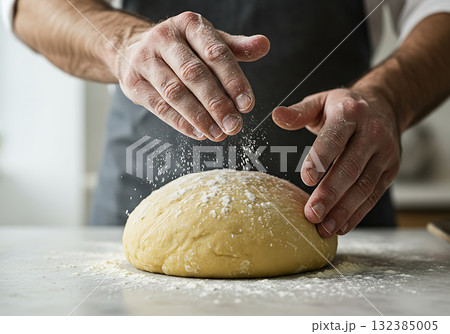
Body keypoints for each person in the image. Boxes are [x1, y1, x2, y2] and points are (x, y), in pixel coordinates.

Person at [4, 0, 450, 237]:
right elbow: (34, 8)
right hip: (133, 209)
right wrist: (124, 42)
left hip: (341, 219)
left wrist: (388, 97)